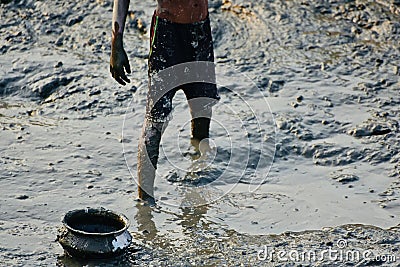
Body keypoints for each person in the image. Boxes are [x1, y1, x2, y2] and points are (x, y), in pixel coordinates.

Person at [110, 0, 220, 201]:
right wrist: (116, 41)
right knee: (155, 120)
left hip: (200, 31)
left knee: (203, 108)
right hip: (167, 35)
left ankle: (198, 178)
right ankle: (145, 200)